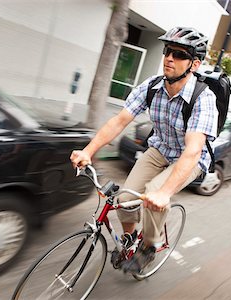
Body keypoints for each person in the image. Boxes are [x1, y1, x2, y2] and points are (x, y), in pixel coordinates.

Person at [70, 27, 218, 275]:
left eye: (179, 54)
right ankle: (130, 238)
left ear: (194, 64)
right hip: (159, 149)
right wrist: (88, 151)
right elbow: (119, 120)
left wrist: (164, 193)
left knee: (153, 196)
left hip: (188, 159)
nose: (169, 58)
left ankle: (150, 246)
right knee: (125, 200)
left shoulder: (204, 99)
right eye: (168, 51)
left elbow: (193, 151)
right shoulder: (152, 87)